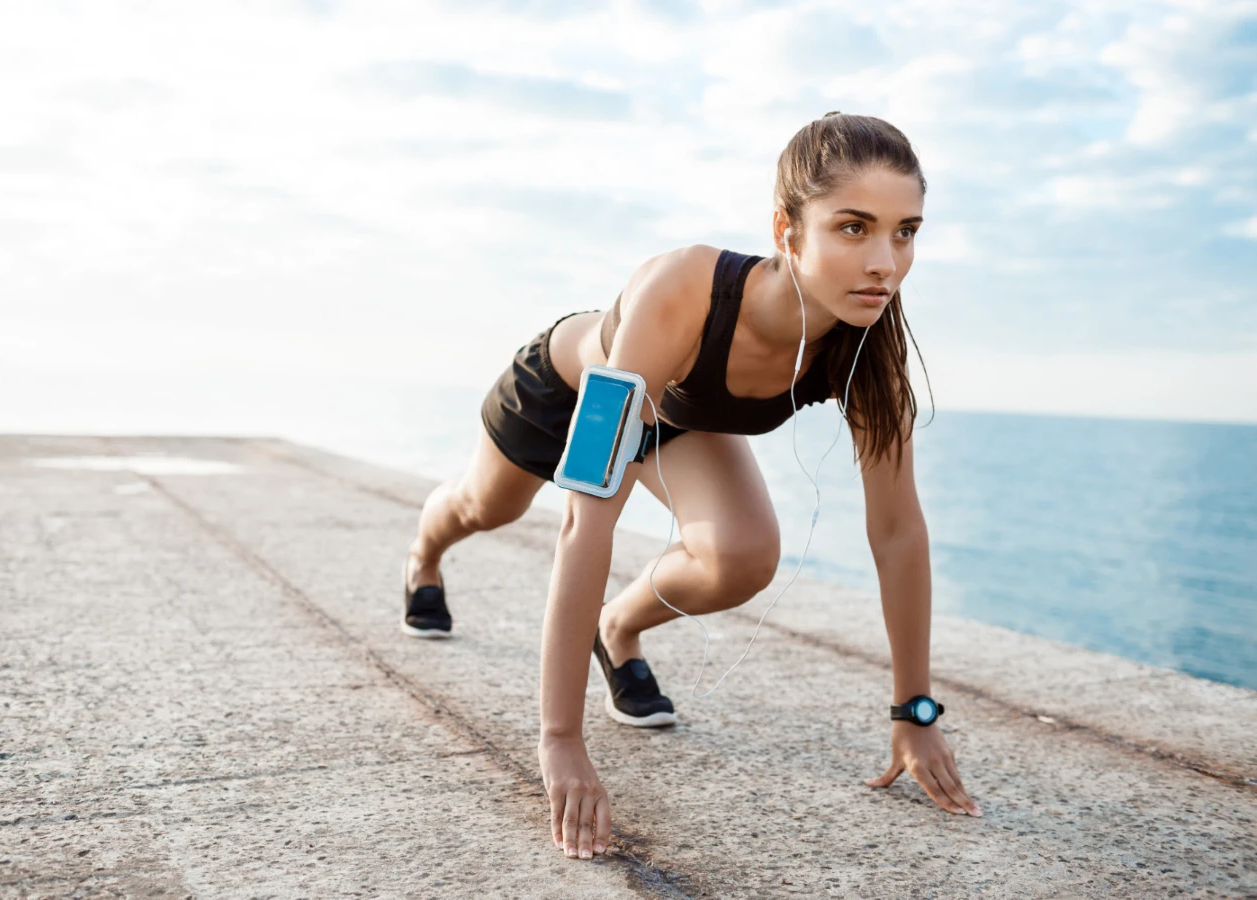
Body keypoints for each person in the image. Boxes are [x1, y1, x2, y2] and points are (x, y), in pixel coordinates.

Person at [402, 112, 980, 861]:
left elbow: (898, 532)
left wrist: (914, 711)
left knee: (742, 554)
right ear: (786, 229)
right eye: (852, 227)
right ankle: (422, 556)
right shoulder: (681, 291)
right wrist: (561, 739)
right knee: (486, 506)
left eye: (905, 232)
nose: (884, 263)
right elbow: (587, 522)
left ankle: (617, 629)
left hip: (675, 419)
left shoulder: (869, 346)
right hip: (563, 390)